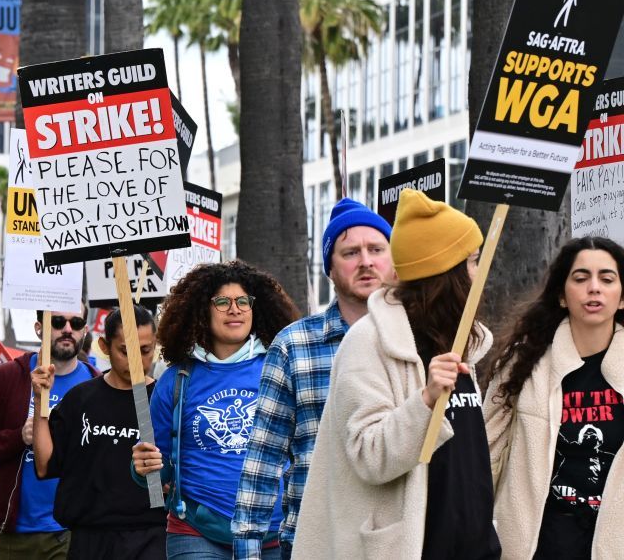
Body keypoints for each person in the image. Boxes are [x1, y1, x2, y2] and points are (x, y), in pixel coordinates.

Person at [292, 189, 500, 559]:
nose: (479, 273)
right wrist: (425, 400)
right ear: (445, 272)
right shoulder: (370, 341)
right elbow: (369, 455)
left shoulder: (463, 340)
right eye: (471, 262)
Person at [232, 197, 394, 557]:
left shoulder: (419, 341)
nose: (366, 261)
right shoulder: (294, 346)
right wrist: (248, 549)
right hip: (315, 539)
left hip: (398, 537)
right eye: (350, 252)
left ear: (393, 261)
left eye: (376, 249)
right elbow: (263, 456)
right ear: (330, 269)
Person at [131, 261, 301, 559]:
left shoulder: (282, 369)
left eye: (243, 301)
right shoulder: (175, 380)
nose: (234, 309)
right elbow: (156, 478)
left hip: (273, 533)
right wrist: (143, 468)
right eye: (222, 301)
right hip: (197, 533)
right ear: (201, 310)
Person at [484, 236, 624, 558]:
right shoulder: (522, 364)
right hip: (538, 545)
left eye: (607, 278)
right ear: (562, 296)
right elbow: (485, 454)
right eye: (580, 278)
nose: (594, 288)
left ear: (622, 297)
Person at [0, 307, 100, 559]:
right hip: (13, 535)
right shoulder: (7, 377)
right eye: (58, 322)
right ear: (39, 328)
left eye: (76, 322)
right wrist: (18, 437)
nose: (67, 329)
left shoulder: (97, 384)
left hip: (72, 530)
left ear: (85, 330)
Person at [32, 305, 167, 560]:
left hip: (151, 536)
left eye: (145, 351)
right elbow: (44, 466)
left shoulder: (165, 401)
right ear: (105, 347)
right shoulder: (80, 400)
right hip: (89, 538)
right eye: (126, 351)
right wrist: (40, 401)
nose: (137, 361)